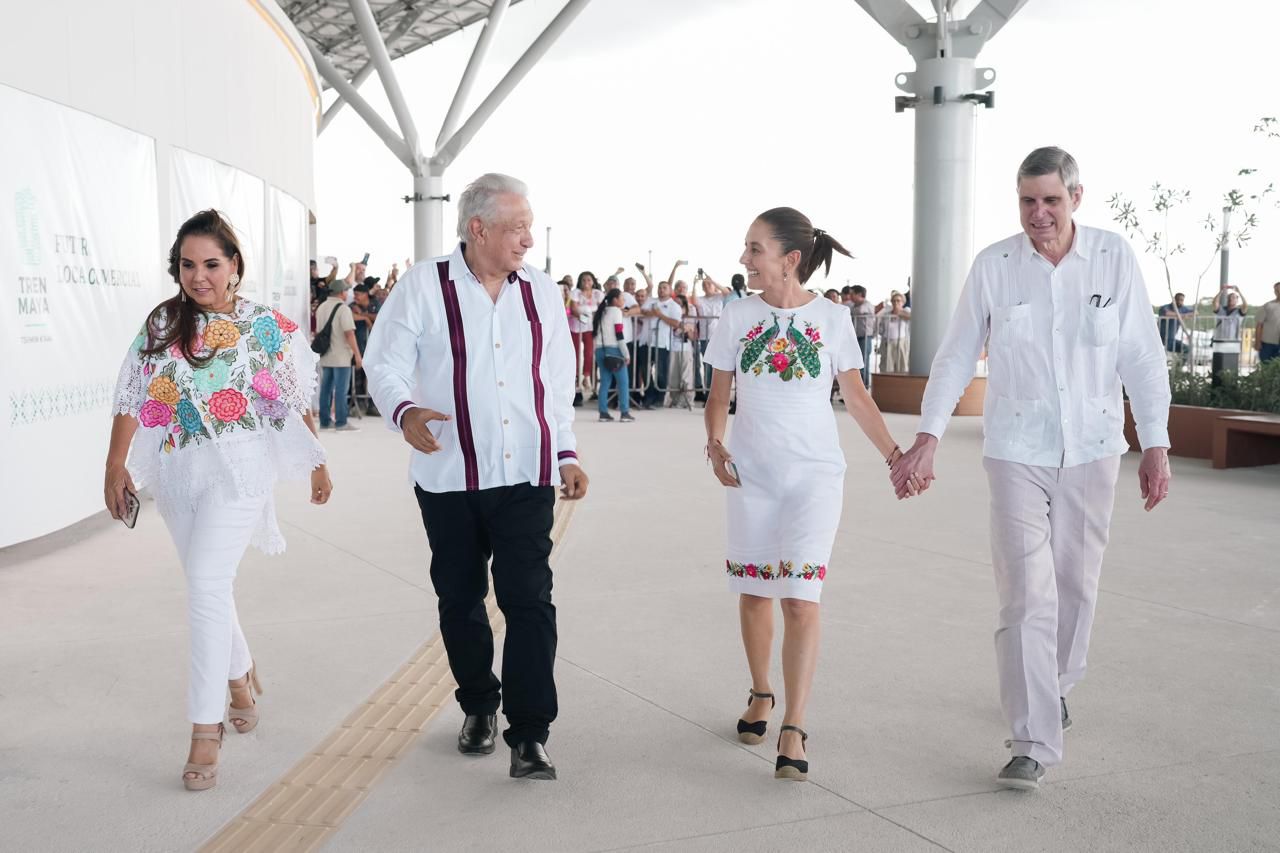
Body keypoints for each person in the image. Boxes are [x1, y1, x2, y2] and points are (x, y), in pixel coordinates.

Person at [891, 147, 1172, 791]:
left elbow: (1141, 356)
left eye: (1050, 200)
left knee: (1075, 585)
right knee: (1025, 594)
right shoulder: (995, 265)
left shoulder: (1112, 257)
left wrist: (1154, 444)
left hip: (1094, 448)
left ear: (1076, 196)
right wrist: (928, 436)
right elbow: (957, 355)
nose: (1038, 214)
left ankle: (1057, 683)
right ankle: (1032, 741)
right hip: (1017, 450)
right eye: (1027, 200)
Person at [364, 173, 589, 781]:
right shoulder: (422, 286)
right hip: (447, 476)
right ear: (477, 228)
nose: (528, 240)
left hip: (525, 472)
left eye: (530, 226)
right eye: (517, 227)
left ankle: (530, 733)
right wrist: (404, 410)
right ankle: (479, 705)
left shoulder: (541, 291)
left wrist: (565, 451)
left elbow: (556, 377)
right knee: (461, 601)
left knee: (529, 599)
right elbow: (383, 361)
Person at [105, 209, 331, 791]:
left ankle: (206, 728)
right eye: (187, 264)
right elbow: (133, 394)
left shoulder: (266, 326)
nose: (198, 276)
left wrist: (316, 462)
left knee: (205, 583)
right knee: (208, 584)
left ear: (234, 265)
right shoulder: (163, 324)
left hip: (243, 466)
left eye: (211, 263)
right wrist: (115, 463)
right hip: (179, 470)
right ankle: (239, 674)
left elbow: (293, 394)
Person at [703, 207, 915, 784]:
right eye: (746, 248)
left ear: (789, 260)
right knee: (753, 593)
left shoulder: (832, 318)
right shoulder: (735, 315)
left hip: (815, 476)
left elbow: (857, 397)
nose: (745, 260)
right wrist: (714, 444)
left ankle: (794, 724)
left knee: (799, 597)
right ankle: (761, 693)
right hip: (751, 475)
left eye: (755, 249)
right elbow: (719, 393)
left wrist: (895, 456)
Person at [314, 279, 362, 431]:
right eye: (346, 291)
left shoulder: (321, 307)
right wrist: (357, 354)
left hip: (326, 355)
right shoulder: (343, 309)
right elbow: (349, 333)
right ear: (342, 292)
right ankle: (341, 422)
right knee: (341, 390)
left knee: (325, 390)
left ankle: (325, 422)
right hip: (341, 357)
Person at [642, 274, 686, 408]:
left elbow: (676, 323)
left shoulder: (674, 306)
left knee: (661, 371)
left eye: (664, 288)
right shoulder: (652, 301)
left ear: (670, 290)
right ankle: (648, 395)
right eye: (660, 288)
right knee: (645, 370)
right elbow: (643, 311)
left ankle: (659, 397)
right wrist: (654, 313)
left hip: (662, 343)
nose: (661, 290)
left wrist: (659, 315)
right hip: (647, 341)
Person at [592, 288, 635, 422]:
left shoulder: (601, 311)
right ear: (615, 300)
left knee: (605, 382)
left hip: (600, 349)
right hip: (614, 350)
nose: (623, 300)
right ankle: (624, 412)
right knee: (623, 382)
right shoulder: (616, 312)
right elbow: (619, 334)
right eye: (622, 298)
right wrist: (626, 353)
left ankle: (603, 412)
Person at [569, 272, 601, 403]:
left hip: (590, 328)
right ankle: (576, 379)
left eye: (589, 279)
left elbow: (600, 309)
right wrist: (586, 318)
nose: (586, 282)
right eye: (583, 280)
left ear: (593, 281)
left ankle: (586, 375)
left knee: (589, 353)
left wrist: (590, 319)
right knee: (575, 354)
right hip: (576, 328)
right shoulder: (576, 292)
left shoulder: (597, 293)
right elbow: (574, 309)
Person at [667, 294, 697, 409]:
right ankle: (675, 399)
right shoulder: (670, 316)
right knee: (673, 376)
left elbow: (692, 334)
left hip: (685, 348)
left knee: (686, 375)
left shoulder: (689, 317)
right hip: (673, 347)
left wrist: (686, 328)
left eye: (680, 304)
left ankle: (688, 400)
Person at [848, 285, 877, 390]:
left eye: (852, 294)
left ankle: (864, 387)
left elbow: (860, 311)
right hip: (856, 337)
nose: (850, 296)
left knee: (863, 362)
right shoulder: (853, 306)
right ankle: (857, 388)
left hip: (865, 337)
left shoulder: (867, 305)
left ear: (859, 294)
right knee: (855, 362)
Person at [876, 291, 910, 373]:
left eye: (898, 301)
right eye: (894, 300)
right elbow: (878, 319)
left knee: (901, 365)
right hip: (887, 341)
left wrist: (900, 313)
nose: (896, 303)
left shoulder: (906, 310)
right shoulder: (887, 313)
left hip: (901, 342)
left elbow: (911, 317)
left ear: (902, 302)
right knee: (886, 366)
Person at [1255, 281, 1280, 363]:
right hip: (1267, 344)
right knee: (1266, 368)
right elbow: (1259, 325)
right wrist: (1257, 342)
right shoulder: (1267, 306)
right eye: (1277, 290)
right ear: (1275, 292)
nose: (1279, 292)